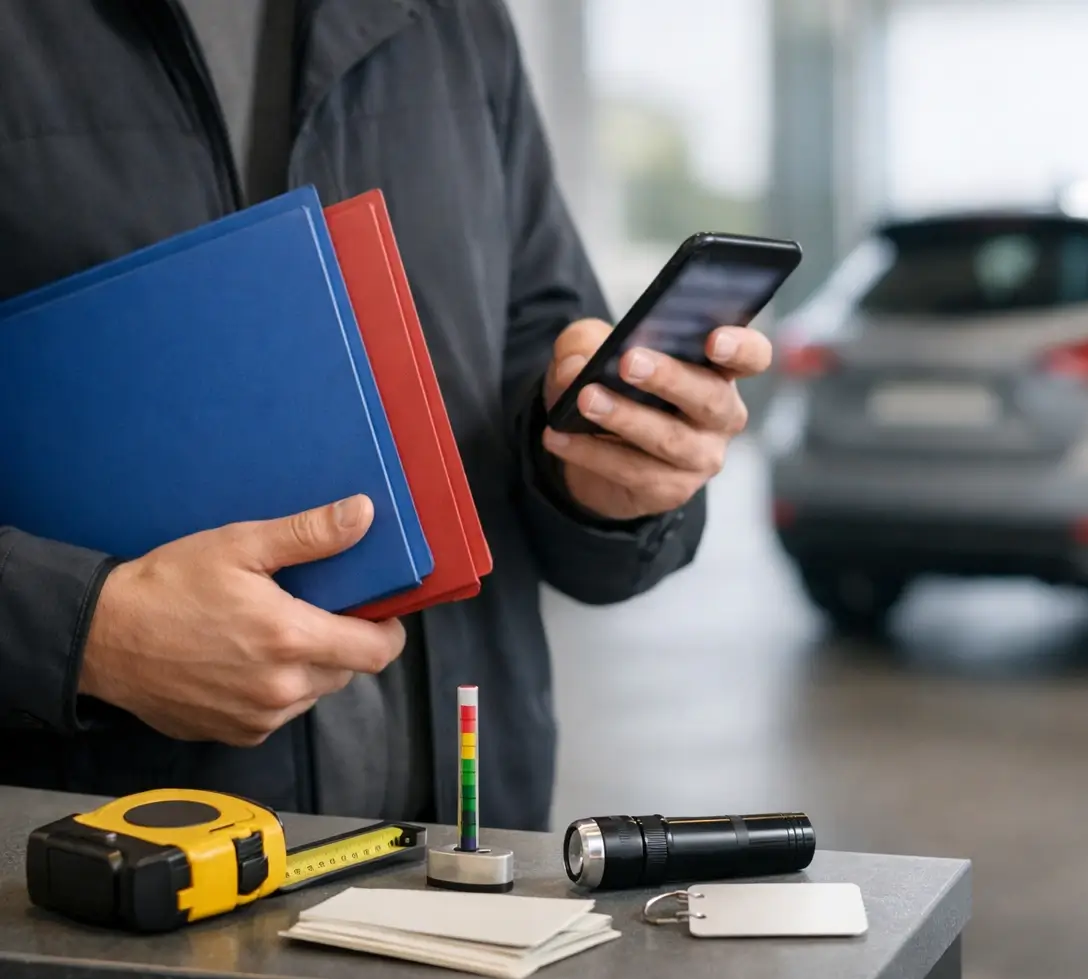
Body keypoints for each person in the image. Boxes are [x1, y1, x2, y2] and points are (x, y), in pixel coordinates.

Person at [0, 0, 770, 832]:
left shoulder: (456, 18)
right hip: (95, 866)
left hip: (460, 864)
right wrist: (89, 633)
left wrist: (602, 478)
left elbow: (531, 357)